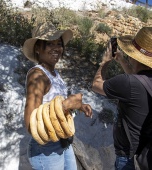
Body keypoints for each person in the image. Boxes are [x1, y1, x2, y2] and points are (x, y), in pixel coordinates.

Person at [22, 21, 92, 170]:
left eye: (59, 43)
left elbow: (53, 103)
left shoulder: (54, 73)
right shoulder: (37, 75)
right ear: (38, 49)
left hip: (63, 141)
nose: (56, 48)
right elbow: (30, 124)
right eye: (49, 44)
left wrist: (79, 106)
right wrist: (66, 105)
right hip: (46, 149)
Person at [92, 27, 152, 170]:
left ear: (133, 55)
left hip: (127, 156)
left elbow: (96, 85)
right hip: (145, 153)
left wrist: (104, 62)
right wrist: (122, 61)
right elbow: (137, 80)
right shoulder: (143, 81)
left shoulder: (127, 82)